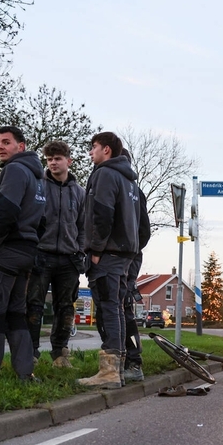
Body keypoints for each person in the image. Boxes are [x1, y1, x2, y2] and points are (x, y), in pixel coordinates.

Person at [0, 126, 46, 381]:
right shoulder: (38, 177)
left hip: (5, 251)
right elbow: (43, 220)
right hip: (26, 252)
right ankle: (25, 372)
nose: (0, 147)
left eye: (6, 142)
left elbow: (5, 212)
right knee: (16, 314)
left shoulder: (15, 170)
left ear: (21, 146)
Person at [78, 132, 140, 389]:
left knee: (108, 307)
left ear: (106, 149)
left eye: (93, 147)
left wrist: (95, 248)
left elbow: (102, 213)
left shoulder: (105, 173)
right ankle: (119, 369)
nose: (90, 152)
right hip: (125, 253)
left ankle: (109, 372)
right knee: (117, 308)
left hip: (108, 252)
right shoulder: (130, 181)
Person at [26, 140, 86, 368]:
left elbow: (83, 226)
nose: (53, 163)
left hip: (69, 258)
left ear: (68, 161)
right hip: (41, 254)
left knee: (66, 307)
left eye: (57, 159)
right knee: (34, 305)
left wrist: (80, 251)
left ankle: (60, 354)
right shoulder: (37, 186)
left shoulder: (79, 192)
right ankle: (30, 353)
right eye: (49, 159)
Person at [119, 148, 151, 384]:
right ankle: (119, 359)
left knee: (124, 306)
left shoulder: (134, 193)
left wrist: (129, 249)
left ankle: (133, 361)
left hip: (126, 257)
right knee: (113, 308)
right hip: (119, 255)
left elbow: (144, 231)